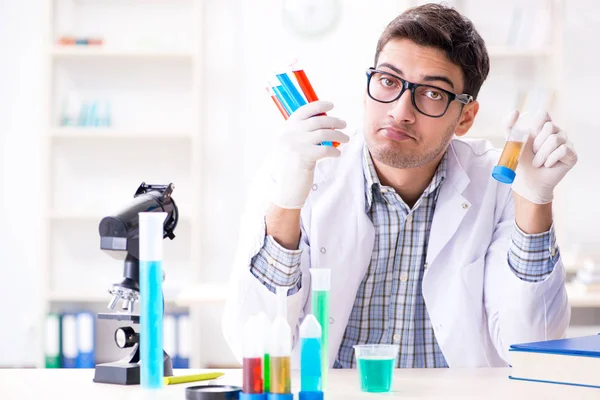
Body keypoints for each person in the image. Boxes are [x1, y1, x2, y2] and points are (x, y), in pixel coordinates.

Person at [222, 3, 578, 368]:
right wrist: (285, 202)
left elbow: (534, 349)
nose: (400, 110)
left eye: (432, 93)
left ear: (466, 117)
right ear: (366, 89)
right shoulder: (300, 172)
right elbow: (256, 346)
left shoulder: (499, 187)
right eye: (388, 82)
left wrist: (535, 200)